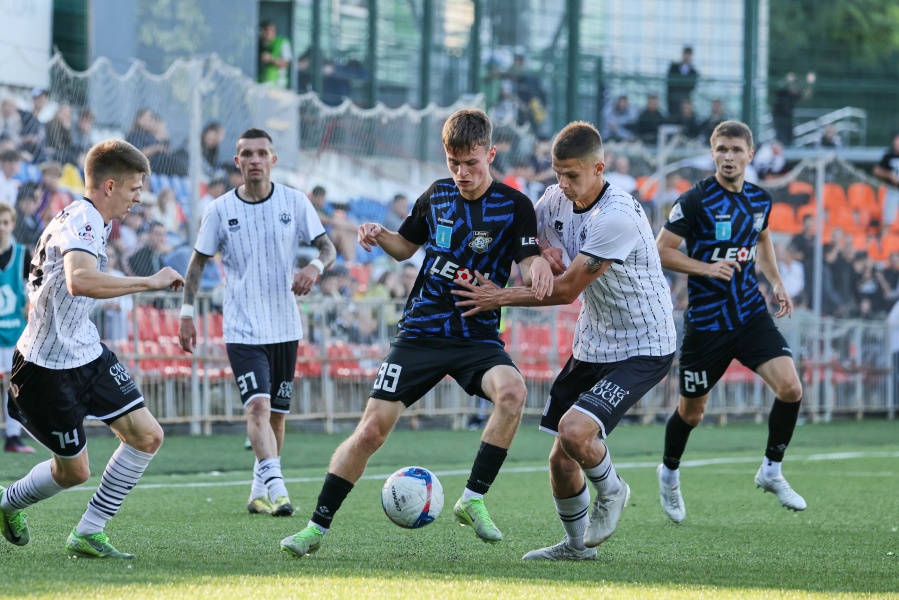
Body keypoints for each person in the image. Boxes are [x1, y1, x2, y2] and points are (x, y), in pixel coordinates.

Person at [280, 107, 554, 558]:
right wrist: (379, 233)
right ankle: (315, 528)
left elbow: (528, 260)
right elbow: (405, 246)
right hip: (421, 333)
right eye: (454, 163)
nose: (462, 173)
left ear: (490, 154)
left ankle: (473, 499)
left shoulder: (515, 205)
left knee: (513, 392)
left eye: (471, 163)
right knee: (370, 432)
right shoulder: (437, 196)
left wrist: (538, 265)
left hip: (477, 337)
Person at [452, 121, 677, 560]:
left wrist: (500, 296)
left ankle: (613, 491)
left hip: (644, 343)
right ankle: (577, 548)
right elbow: (524, 236)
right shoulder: (556, 198)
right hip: (593, 340)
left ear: (599, 168)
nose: (563, 184)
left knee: (576, 433)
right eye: (557, 174)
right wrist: (541, 252)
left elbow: (567, 290)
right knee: (560, 459)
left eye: (572, 175)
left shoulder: (617, 217)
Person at [0, 139, 184, 558]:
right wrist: (149, 281)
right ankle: (6, 503)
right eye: (134, 188)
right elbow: (80, 279)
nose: (138, 198)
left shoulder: (91, 220)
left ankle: (88, 531)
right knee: (73, 472)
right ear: (110, 186)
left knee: (147, 436)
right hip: (45, 368)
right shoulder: (83, 219)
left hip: (85, 352)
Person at [177, 128, 336, 518]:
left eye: (262, 153)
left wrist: (315, 267)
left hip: (285, 326)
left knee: (277, 416)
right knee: (258, 408)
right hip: (242, 327)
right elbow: (197, 263)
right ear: (237, 161)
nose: (254, 160)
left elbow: (328, 248)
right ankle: (279, 490)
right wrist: (186, 314)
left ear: (273, 160)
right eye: (247, 153)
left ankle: (257, 492)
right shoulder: (219, 210)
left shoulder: (294, 202)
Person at [655, 121, 806, 524]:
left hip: (750, 314)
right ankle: (669, 473)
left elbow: (763, 239)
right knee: (692, 414)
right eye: (721, 149)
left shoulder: (759, 199)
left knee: (791, 388)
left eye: (736, 150)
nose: (728, 157)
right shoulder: (695, 200)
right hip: (707, 324)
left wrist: (776, 282)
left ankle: (771, 470)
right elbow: (662, 251)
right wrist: (705, 267)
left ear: (750, 155)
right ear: (712, 153)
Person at [0, 202, 34, 453]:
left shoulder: (23, 254)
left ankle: (13, 436)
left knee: (14, 384)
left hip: (15, 332)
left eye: (5, 222)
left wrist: (30, 303)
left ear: (12, 224)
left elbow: (35, 286)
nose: (1, 228)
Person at [772, 72, 815, 146]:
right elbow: (778, 87)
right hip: (778, 117)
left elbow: (805, 96)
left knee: (789, 138)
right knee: (780, 137)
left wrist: (810, 84)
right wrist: (786, 80)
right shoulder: (782, 91)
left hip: (788, 118)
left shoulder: (793, 93)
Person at [873, 132, 899, 230]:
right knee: (888, 220)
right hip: (893, 190)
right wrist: (890, 175)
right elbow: (877, 170)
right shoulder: (889, 155)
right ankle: (884, 238)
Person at [258, 21, 292, 89]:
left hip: (278, 86)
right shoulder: (260, 44)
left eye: (267, 31)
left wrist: (271, 59)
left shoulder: (282, 42)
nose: (264, 34)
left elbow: (286, 63)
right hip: (262, 84)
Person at [667, 46, 699, 118]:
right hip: (674, 99)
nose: (687, 56)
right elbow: (670, 82)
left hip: (685, 98)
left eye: (689, 54)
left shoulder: (693, 72)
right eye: (686, 54)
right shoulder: (674, 68)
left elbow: (692, 86)